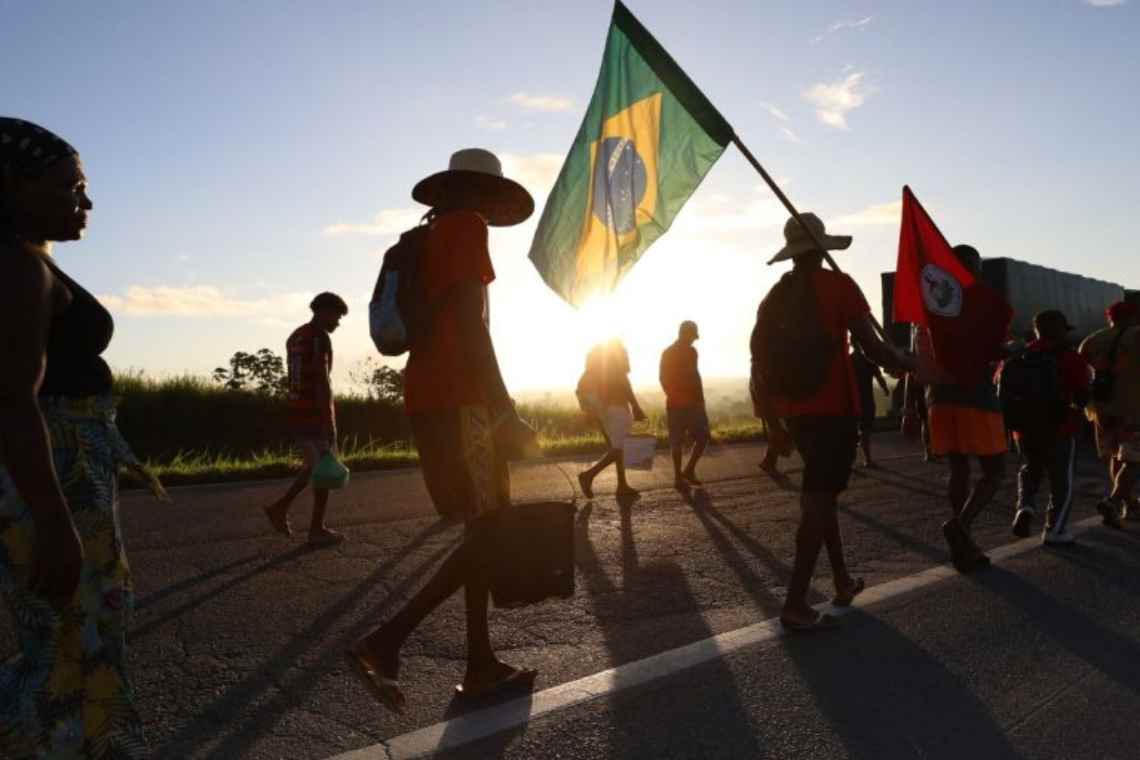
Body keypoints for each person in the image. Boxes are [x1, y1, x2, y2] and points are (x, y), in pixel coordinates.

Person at [348, 148, 537, 712]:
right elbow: (472, 325)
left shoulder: (426, 238)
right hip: (464, 401)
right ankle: (386, 642)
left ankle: (480, 663)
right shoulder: (465, 228)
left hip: (428, 397)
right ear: (480, 193)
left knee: (480, 530)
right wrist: (503, 407)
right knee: (492, 531)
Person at [0, 118, 153, 758]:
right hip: (53, 474)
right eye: (71, 186)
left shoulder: (30, 259)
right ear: (14, 186)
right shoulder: (17, 266)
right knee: (74, 639)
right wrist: (53, 519)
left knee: (76, 636)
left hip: (66, 470)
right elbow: (11, 399)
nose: (85, 202)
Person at [751, 213, 913, 632]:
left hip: (794, 414)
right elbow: (871, 346)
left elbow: (757, 360)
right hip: (833, 411)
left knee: (823, 499)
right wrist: (902, 361)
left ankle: (841, 580)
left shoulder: (774, 296)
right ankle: (795, 604)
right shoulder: (839, 286)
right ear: (822, 249)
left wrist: (773, 422)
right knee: (817, 503)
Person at [903, 244, 1008, 573]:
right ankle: (960, 526)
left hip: (938, 399)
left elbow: (914, 363)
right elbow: (989, 350)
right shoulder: (975, 304)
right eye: (975, 266)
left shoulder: (928, 309)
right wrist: (1013, 351)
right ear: (971, 268)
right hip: (975, 395)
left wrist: (909, 409)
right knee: (994, 471)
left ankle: (964, 547)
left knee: (959, 469)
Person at [263, 292, 349, 547]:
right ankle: (316, 529)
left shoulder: (295, 336)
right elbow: (322, 380)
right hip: (314, 412)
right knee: (323, 470)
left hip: (296, 410)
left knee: (314, 467)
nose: (338, 323)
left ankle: (280, 508)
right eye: (336, 316)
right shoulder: (319, 338)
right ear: (323, 311)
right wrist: (329, 421)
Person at [1004, 310, 1091, 545]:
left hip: (1024, 429)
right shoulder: (1070, 358)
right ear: (1061, 331)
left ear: (1037, 330)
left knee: (1029, 469)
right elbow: (1082, 396)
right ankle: (1055, 530)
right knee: (1062, 481)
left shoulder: (1021, 354)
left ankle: (1025, 506)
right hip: (1061, 427)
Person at [1080, 300, 1140, 527]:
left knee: (1116, 456)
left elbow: (1083, 369)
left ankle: (1130, 505)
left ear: (1110, 317)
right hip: (1133, 408)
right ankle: (1113, 501)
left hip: (1103, 409)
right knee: (1134, 460)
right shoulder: (1137, 335)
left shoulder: (1091, 340)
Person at [578, 339, 647, 501]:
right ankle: (588, 475)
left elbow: (579, 390)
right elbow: (626, 386)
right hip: (618, 409)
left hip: (606, 412)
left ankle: (622, 485)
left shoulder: (593, 368)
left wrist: (590, 410)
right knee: (618, 449)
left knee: (617, 449)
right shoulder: (615, 363)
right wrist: (636, 407)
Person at [660, 320, 710, 491]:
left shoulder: (684, 352)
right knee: (689, 439)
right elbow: (667, 378)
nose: (694, 340)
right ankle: (682, 474)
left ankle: (684, 473)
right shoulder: (677, 352)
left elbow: (693, 376)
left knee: (691, 439)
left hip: (683, 403)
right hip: (684, 404)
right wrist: (695, 401)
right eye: (692, 336)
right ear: (685, 334)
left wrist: (699, 401)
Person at [851, 339, 890, 468]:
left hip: (852, 400)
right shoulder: (868, 360)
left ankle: (851, 460)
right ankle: (867, 459)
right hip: (866, 400)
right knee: (865, 430)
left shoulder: (849, 361)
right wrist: (885, 389)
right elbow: (879, 376)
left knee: (853, 430)